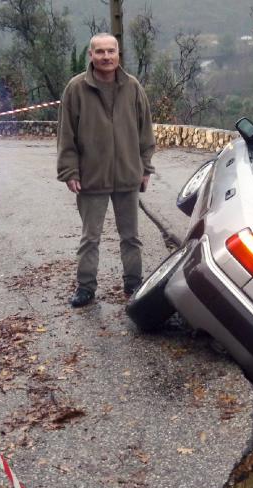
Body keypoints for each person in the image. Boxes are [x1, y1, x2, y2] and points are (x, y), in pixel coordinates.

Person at [56, 32, 156, 307]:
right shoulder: (76, 88)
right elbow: (66, 135)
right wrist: (69, 171)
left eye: (111, 51)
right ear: (91, 55)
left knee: (131, 237)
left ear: (118, 53)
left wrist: (145, 167)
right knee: (90, 238)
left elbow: (145, 132)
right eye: (100, 51)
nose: (106, 56)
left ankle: (133, 284)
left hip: (127, 175)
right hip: (91, 177)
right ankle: (86, 287)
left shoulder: (132, 87)